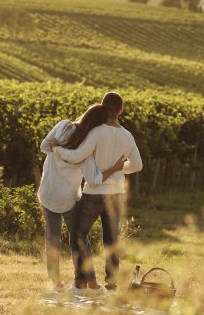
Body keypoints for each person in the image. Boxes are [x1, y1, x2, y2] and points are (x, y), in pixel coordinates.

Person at [53, 92, 143, 291]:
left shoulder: (96, 133)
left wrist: (57, 150)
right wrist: (120, 167)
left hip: (93, 193)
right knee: (111, 239)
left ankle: (81, 280)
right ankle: (111, 285)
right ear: (121, 110)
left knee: (78, 234)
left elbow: (78, 156)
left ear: (103, 107)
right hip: (116, 193)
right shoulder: (127, 136)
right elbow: (137, 165)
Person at [38, 104, 125, 292]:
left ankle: (55, 283)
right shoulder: (87, 147)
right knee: (79, 238)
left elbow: (44, 146)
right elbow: (94, 180)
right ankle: (91, 282)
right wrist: (116, 168)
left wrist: (57, 152)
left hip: (47, 192)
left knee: (52, 240)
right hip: (68, 198)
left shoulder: (62, 126)